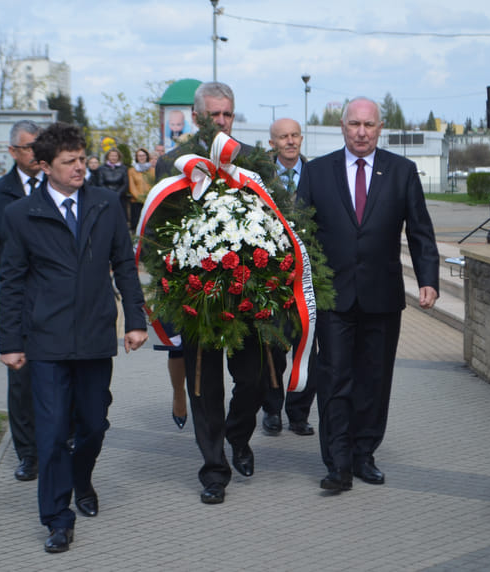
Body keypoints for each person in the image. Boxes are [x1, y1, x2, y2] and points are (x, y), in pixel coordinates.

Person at [0, 121, 148, 554]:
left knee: (95, 423)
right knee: (51, 432)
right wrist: (10, 342)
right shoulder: (21, 215)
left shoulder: (104, 204)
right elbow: (12, 282)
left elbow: (124, 265)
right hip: (46, 341)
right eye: (70, 162)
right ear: (45, 167)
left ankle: (82, 478)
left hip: (96, 335)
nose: (80, 167)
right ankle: (57, 518)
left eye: (82, 159)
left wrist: (135, 321)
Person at [296, 97, 439, 493]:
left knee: (374, 381)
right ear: (342, 127)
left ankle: (364, 454)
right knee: (335, 379)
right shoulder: (317, 172)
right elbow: (300, 234)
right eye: (355, 124)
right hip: (333, 298)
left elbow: (420, 231)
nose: (361, 132)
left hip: (381, 295)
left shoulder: (402, 171)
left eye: (369, 125)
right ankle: (337, 464)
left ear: (380, 128)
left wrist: (428, 278)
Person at [155, 81, 264, 505]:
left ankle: (238, 434)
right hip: (197, 297)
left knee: (254, 380)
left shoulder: (251, 161)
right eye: (214, 115)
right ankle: (214, 469)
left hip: (245, 295)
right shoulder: (172, 163)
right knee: (204, 387)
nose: (222, 122)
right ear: (198, 117)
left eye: (228, 115)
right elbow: (161, 231)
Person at [0, 120, 44, 482]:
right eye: (29, 147)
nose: (36, 153)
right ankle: (28, 453)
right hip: (18, 300)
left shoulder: (61, 184)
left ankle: (61, 443)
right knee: (21, 381)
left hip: (56, 299)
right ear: (13, 151)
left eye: (39, 146)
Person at [260, 117, 317, 437]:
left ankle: (299, 413)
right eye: (283, 137)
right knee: (273, 347)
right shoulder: (259, 178)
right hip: (273, 277)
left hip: (309, 277)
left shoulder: (317, 174)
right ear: (273, 143)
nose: (290, 141)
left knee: (306, 347)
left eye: (295, 135)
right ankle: (271, 409)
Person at [96, 148, 130, 227]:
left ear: (118, 157)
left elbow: (125, 183)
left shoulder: (123, 168)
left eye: (115, 156)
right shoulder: (101, 169)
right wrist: (109, 195)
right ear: (107, 157)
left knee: (121, 222)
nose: (113, 157)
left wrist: (117, 194)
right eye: (111, 156)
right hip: (106, 197)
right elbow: (100, 183)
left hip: (120, 197)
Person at [127, 148, 153, 231]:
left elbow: (154, 185)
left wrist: (148, 198)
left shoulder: (153, 170)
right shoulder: (131, 171)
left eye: (143, 155)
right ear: (136, 157)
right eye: (139, 156)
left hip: (149, 201)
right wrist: (140, 198)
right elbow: (132, 186)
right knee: (137, 225)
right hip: (136, 202)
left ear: (147, 156)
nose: (141, 157)